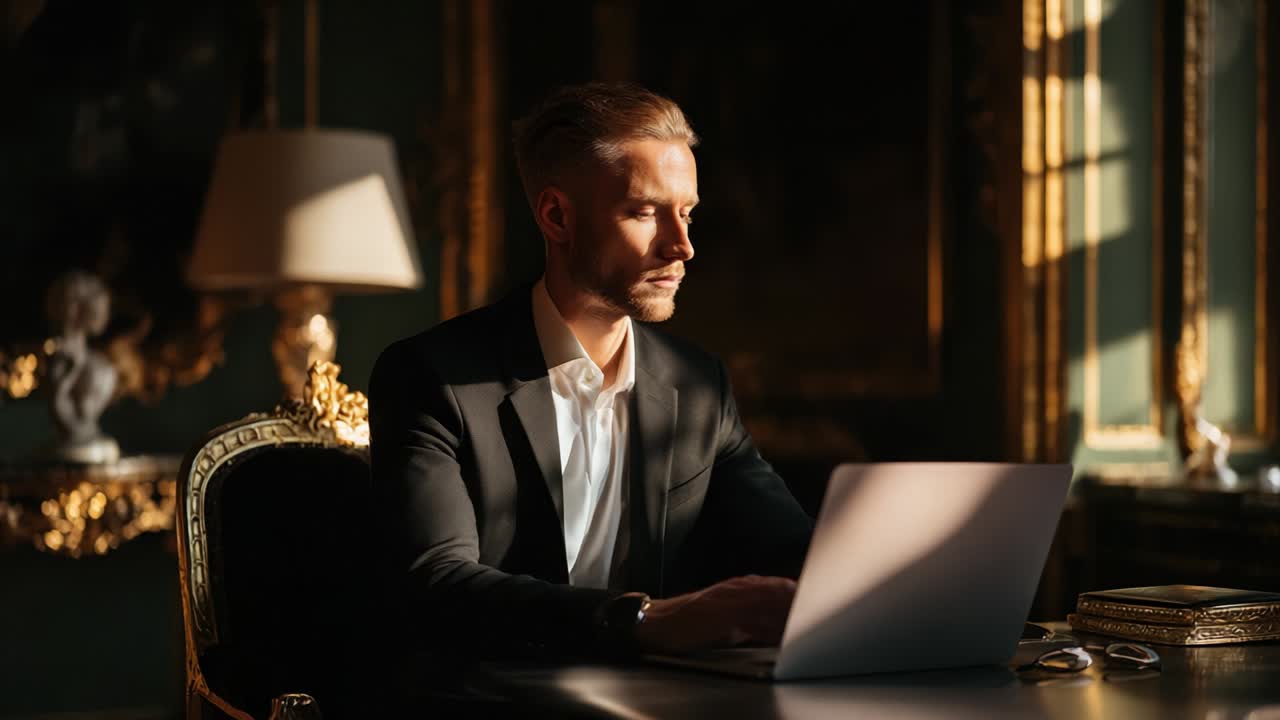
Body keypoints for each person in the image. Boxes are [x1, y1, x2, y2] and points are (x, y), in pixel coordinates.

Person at [369, 81, 812, 660]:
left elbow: (793, 548)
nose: (682, 247)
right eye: (644, 212)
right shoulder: (433, 377)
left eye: (686, 215)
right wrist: (647, 620)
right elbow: (438, 580)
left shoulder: (698, 385)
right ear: (556, 217)